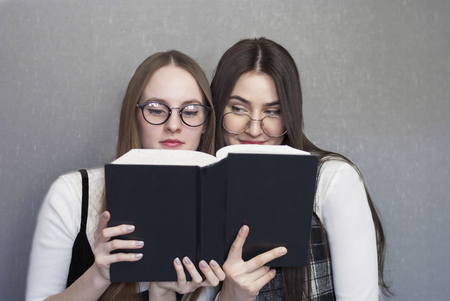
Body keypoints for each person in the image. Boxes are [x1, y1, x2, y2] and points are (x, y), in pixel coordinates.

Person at [26, 50, 225, 301]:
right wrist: (99, 275)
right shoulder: (73, 194)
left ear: (206, 122)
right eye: (155, 109)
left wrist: (162, 292)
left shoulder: (215, 205)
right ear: (134, 116)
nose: (174, 125)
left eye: (190, 111)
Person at [208, 38, 391, 301]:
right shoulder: (205, 184)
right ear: (216, 108)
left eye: (272, 111)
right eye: (238, 108)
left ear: (290, 115)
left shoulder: (333, 180)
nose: (255, 128)